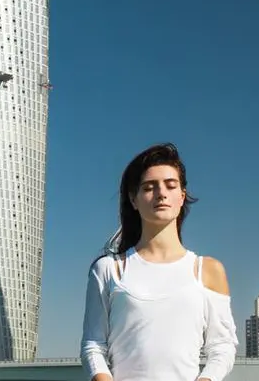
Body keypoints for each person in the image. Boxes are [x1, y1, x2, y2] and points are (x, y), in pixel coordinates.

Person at [80, 143, 238, 381]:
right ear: (134, 199)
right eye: (149, 187)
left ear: (182, 196)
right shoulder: (109, 269)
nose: (161, 193)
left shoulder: (208, 270)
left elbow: (222, 347)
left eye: (170, 185)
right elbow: (93, 345)